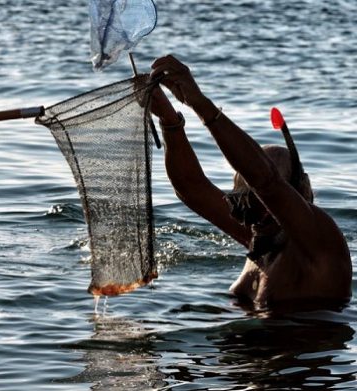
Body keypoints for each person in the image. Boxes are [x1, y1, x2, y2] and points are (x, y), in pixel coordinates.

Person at [147, 55, 351, 310]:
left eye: (265, 203)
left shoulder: (319, 243)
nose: (256, 213)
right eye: (245, 204)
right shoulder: (260, 235)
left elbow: (266, 181)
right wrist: (169, 120)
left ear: (300, 194)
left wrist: (200, 103)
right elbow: (192, 187)